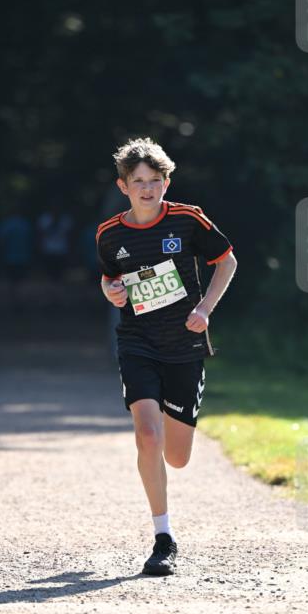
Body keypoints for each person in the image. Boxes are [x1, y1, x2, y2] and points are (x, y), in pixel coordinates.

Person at [95, 137, 237, 576]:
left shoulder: (187, 220)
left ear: (166, 182)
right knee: (147, 438)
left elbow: (227, 261)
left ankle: (179, 433)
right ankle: (163, 537)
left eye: (155, 181)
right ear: (123, 186)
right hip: (137, 342)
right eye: (138, 181)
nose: (147, 189)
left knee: (177, 457)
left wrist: (204, 309)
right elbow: (109, 281)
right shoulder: (109, 233)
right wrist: (111, 291)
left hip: (184, 346)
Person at [0, 209, 33, 313]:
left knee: (12, 282)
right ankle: (21, 303)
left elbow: (1, 241)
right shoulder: (25, 224)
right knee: (22, 281)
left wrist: (0, 256)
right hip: (24, 257)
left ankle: (14, 303)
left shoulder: (6, 225)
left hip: (9, 258)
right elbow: (31, 240)